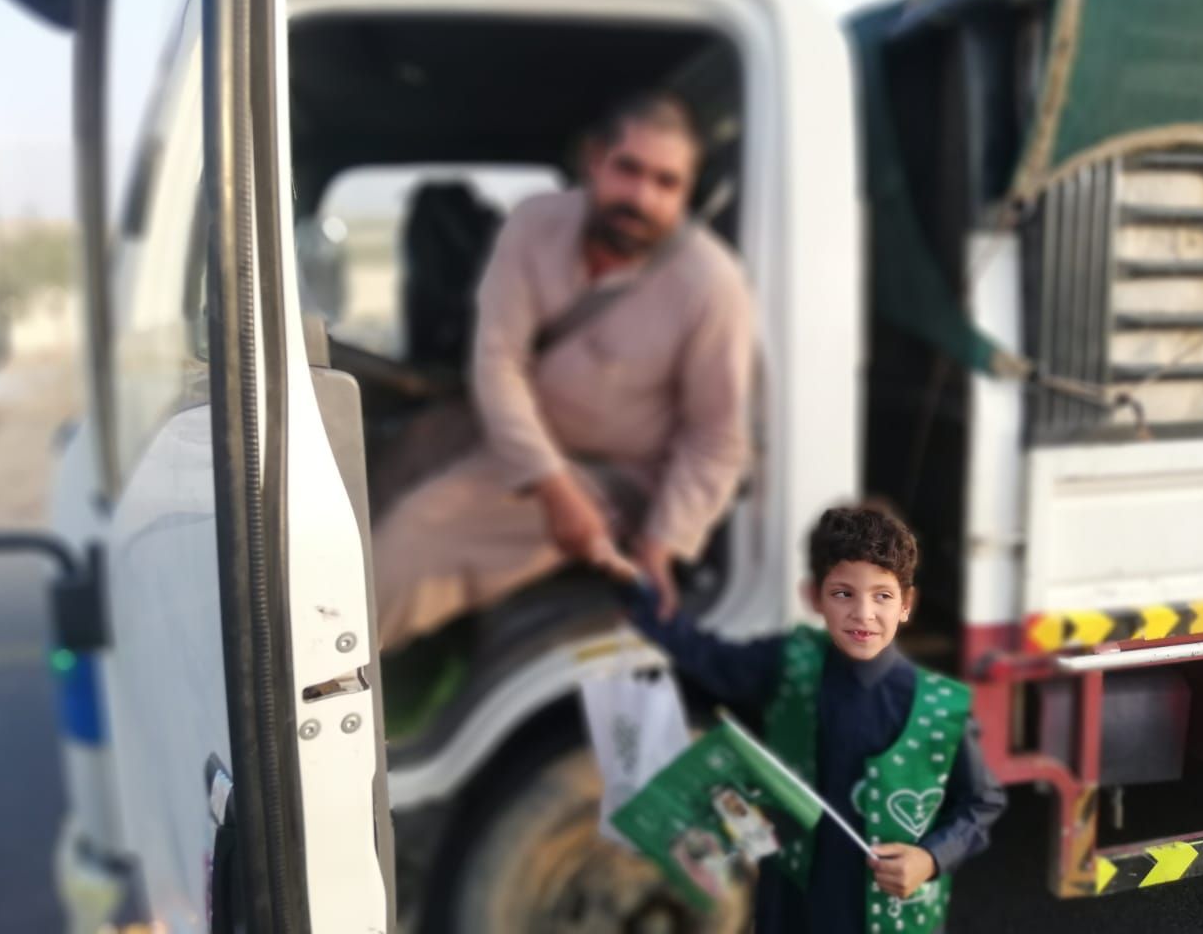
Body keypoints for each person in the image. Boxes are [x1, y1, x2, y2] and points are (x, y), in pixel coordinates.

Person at [374, 91, 754, 650]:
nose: (642, 197)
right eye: (628, 170)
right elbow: (499, 361)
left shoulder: (712, 284)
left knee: (414, 537)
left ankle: (326, 679)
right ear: (595, 161)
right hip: (523, 434)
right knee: (393, 461)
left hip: (618, 474)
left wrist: (661, 545)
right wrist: (553, 486)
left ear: (685, 192)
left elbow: (716, 438)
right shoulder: (535, 225)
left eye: (666, 183)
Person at [625, 503, 1007, 934]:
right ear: (813, 597)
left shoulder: (941, 707)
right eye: (843, 593)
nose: (863, 613)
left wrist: (931, 858)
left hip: (889, 920)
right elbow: (709, 658)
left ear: (906, 604)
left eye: (882, 596)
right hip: (792, 908)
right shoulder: (790, 663)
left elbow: (981, 802)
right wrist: (633, 589)